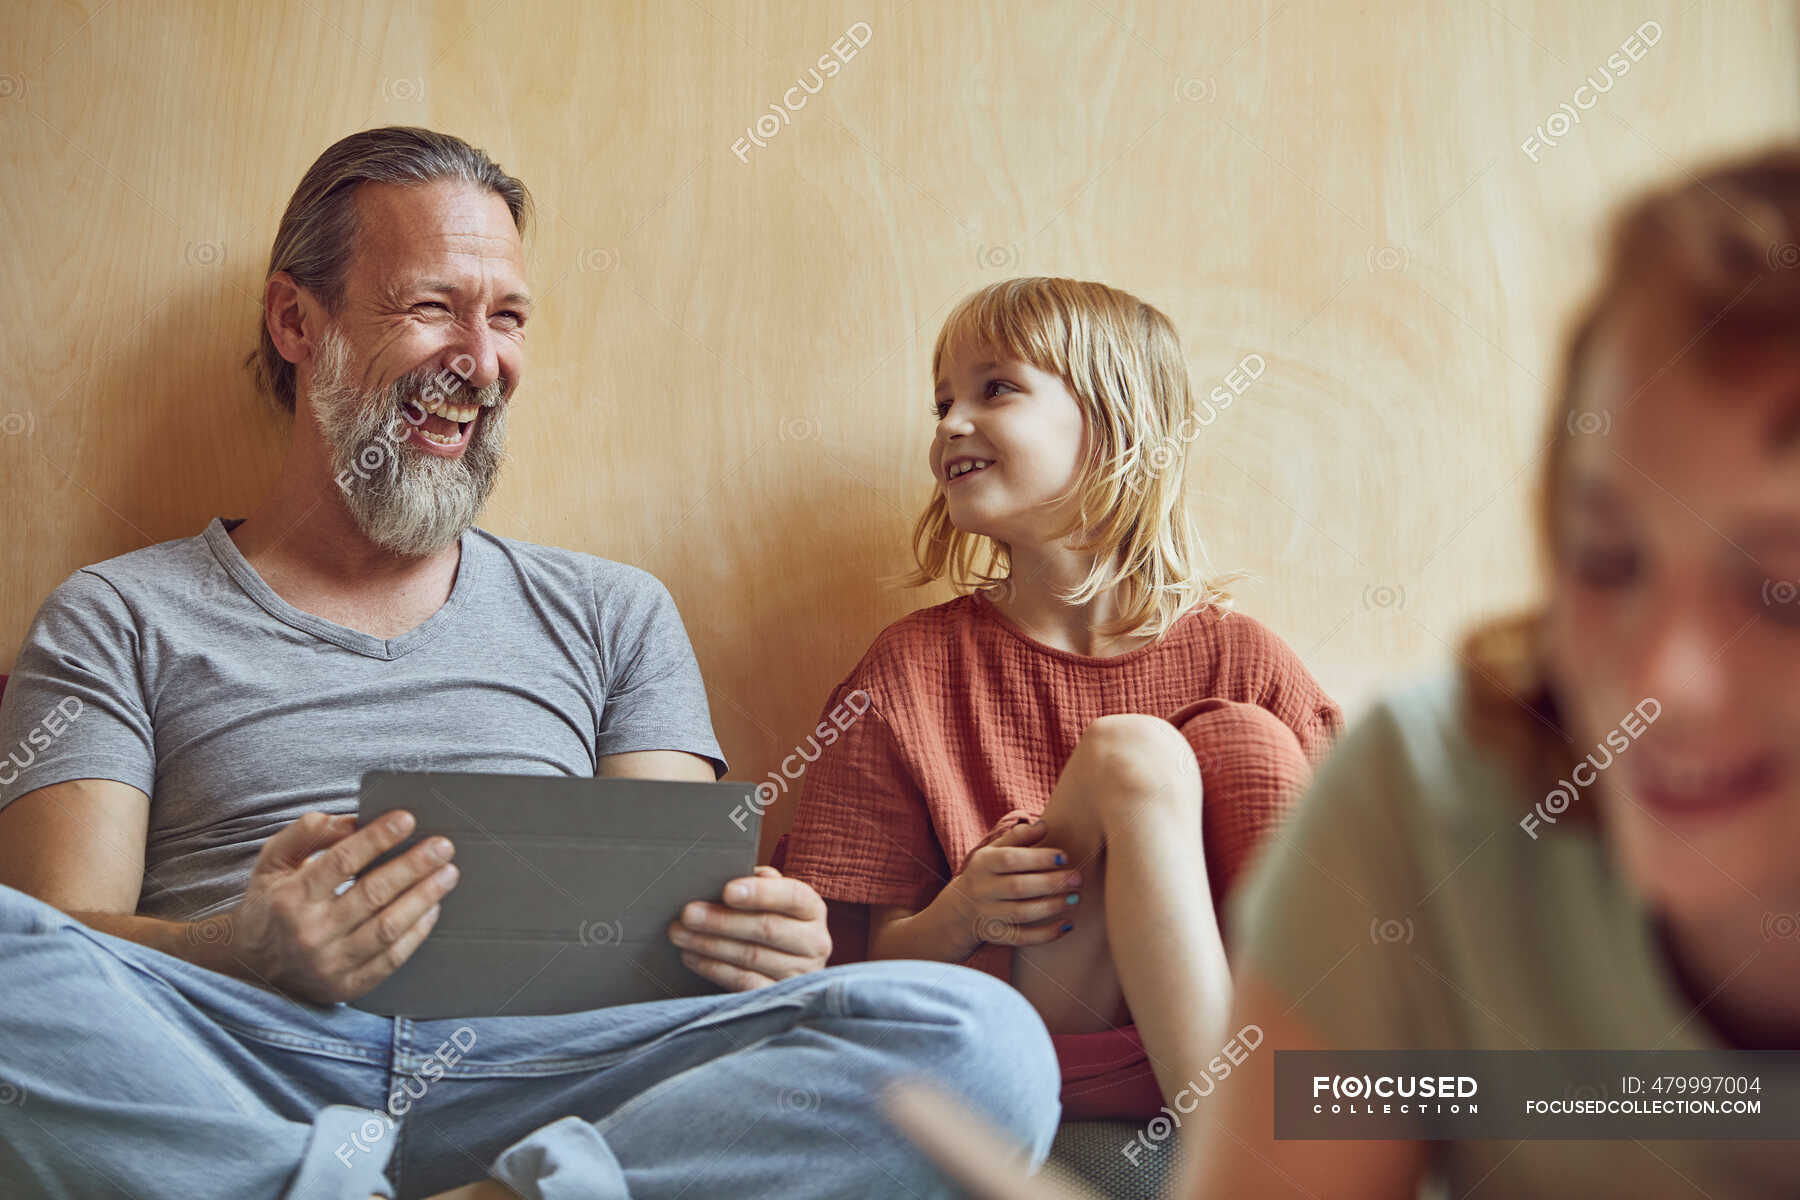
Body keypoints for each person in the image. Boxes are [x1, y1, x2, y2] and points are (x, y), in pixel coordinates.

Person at [0, 126, 1060, 1199]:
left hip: (558, 1086)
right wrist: (243, 948)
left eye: (506, 316)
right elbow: (58, 939)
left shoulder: (612, 612)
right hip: (242, 1064)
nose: (481, 357)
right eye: (431, 307)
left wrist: (753, 945)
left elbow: (671, 932)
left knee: (977, 1037)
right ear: (295, 320)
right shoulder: (116, 614)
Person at [884, 145, 1800, 1200]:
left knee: (1232, 740)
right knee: (1159, 756)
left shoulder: (1255, 675)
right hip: (1063, 1021)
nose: (1664, 680)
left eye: (1780, 585)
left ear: (1119, 434)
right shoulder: (1426, 781)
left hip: (1270, 1034)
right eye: (1606, 560)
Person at [780, 277, 1342, 1121]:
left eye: (995, 388)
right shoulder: (909, 670)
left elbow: (1351, 895)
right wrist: (965, 909)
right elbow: (866, 965)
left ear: (1117, 423)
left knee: (1246, 743)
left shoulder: (1244, 657)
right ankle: (1249, 1151)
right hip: (1027, 1041)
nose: (950, 426)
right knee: (1133, 756)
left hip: (1225, 1027)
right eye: (941, 403)